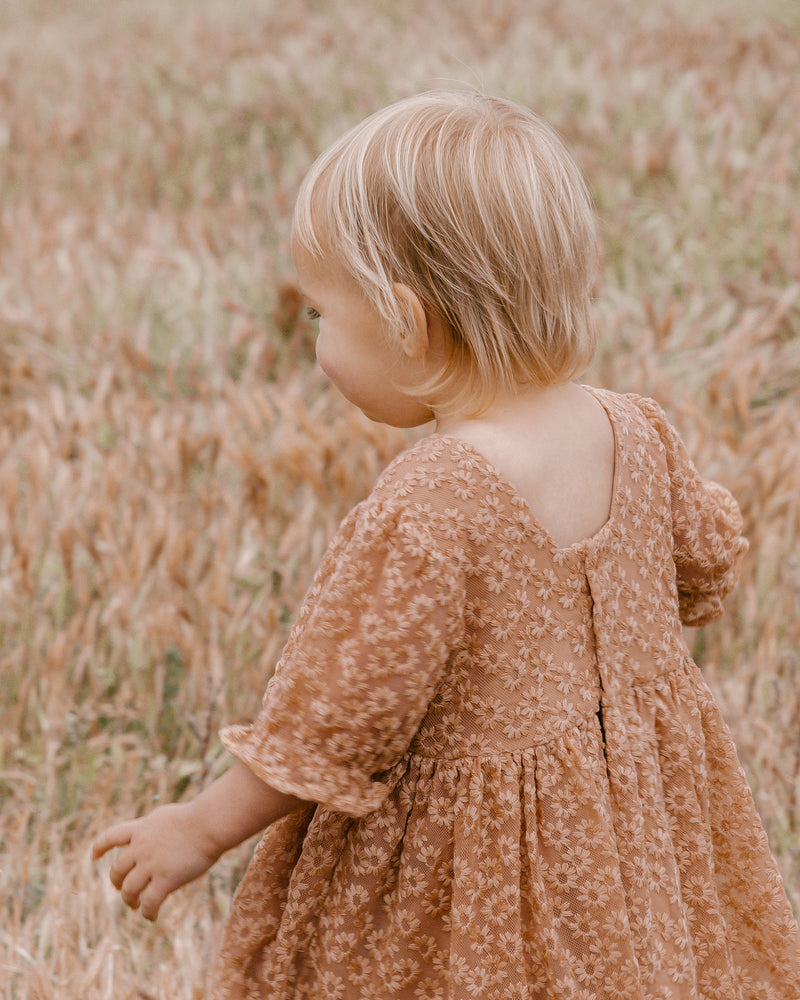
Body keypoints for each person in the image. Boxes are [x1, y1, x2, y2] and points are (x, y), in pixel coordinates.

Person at [93, 90, 800, 999]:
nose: (314, 343)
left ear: (406, 322)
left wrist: (199, 826)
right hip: (635, 849)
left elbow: (335, 720)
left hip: (479, 884)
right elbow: (704, 570)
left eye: (319, 315)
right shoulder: (636, 429)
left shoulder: (433, 499)